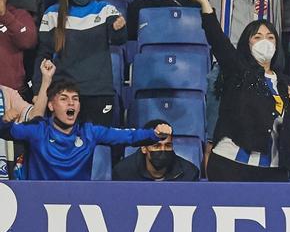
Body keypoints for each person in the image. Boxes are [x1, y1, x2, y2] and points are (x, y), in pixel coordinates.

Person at [189, 0, 290, 182]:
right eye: (257, 37)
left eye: (270, 37)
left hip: (273, 172)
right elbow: (219, 41)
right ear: (247, 42)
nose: (265, 42)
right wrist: (204, 4)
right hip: (231, 166)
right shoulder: (238, 71)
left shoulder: (286, 83)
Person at [3, 61, 167, 180]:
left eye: (75, 98)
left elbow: (129, 137)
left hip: (78, 205)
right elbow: (5, 131)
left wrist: (155, 134)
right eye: (64, 99)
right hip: (38, 206)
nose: (71, 102)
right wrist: (5, 121)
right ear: (51, 106)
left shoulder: (89, 132)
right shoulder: (37, 131)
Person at [37, 0, 127, 125]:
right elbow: (43, 55)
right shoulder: (52, 14)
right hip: (65, 96)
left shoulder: (106, 9)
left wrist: (118, 28)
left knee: (100, 148)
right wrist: (38, 90)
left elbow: (119, 39)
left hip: (99, 93)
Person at [111, 119, 200, 181]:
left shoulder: (189, 173)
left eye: (168, 145)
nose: (163, 150)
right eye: (157, 146)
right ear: (144, 148)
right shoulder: (123, 173)